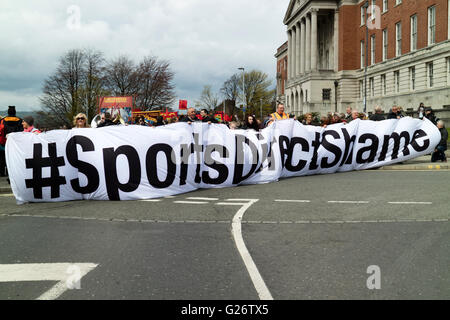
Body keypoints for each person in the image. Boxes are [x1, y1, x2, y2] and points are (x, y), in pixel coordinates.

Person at [0, 106, 23, 177]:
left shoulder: (3, 120)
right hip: (15, 143)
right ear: (15, 112)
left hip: (4, 142)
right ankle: (11, 172)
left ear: (8, 112)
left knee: (2, 158)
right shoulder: (19, 120)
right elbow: (21, 132)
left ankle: (1, 172)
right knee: (14, 158)